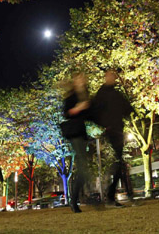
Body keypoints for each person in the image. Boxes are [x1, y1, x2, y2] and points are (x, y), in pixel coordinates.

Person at [91, 69, 135, 207]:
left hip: (118, 129)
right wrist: (105, 125)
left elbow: (126, 108)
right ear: (106, 78)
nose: (112, 78)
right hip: (111, 130)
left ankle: (115, 195)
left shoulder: (116, 93)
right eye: (110, 76)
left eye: (113, 76)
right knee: (118, 162)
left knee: (120, 162)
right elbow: (94, 111)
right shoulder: (102, 94)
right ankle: (112, 195)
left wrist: (131, 112)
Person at [61, 72, 91, 213]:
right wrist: (78, 108)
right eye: (79, 79)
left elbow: (90, 114)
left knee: (83, 168)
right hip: (75, 135)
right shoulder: (71, 96)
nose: (81, 81)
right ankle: (74, 201)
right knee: (83, 168)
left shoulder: (85, 95)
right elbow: (65, 113)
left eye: (83, 79)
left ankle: (74, 200)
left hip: (83, 134)